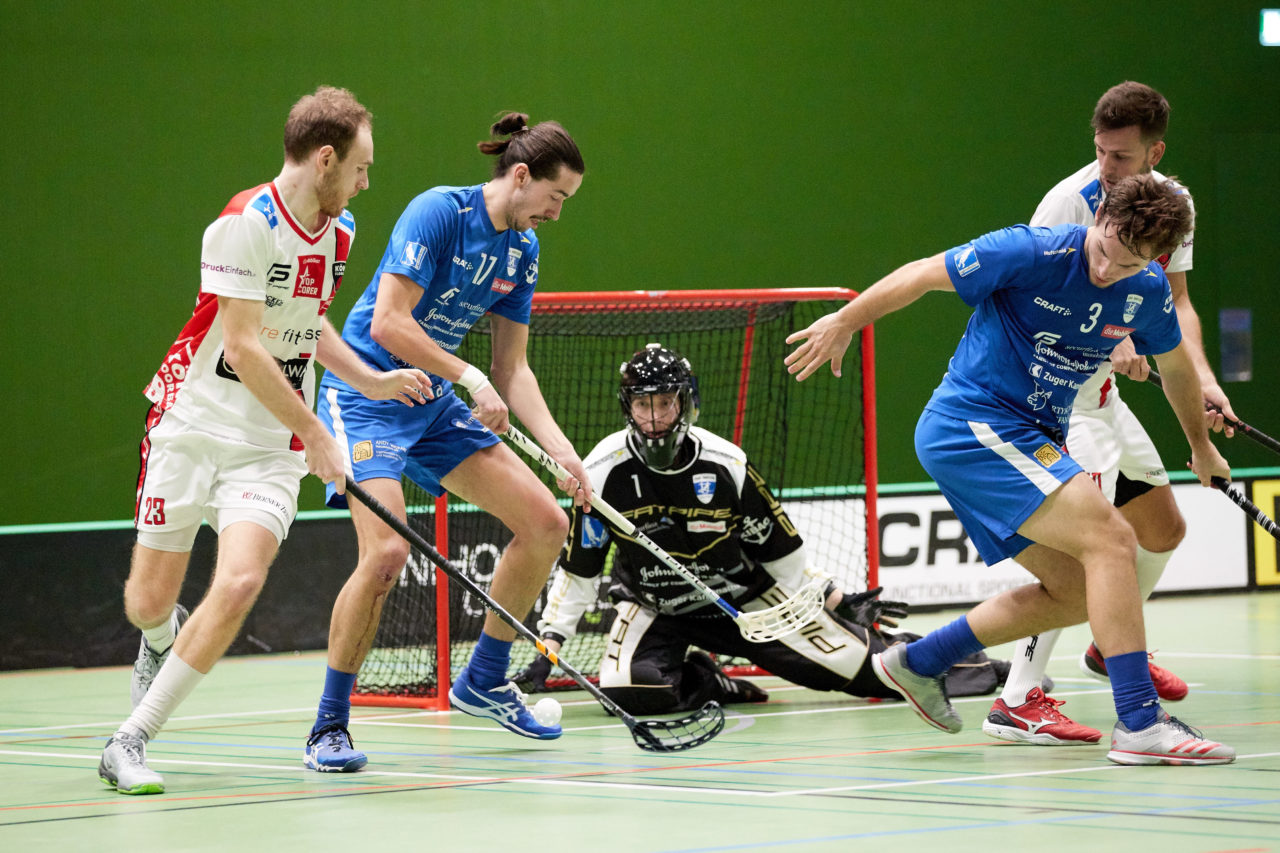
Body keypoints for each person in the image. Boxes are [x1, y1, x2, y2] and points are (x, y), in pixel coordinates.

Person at [785, 173, 1236, 766]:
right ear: (1096, 220)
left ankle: (916, 662)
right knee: (1112, 540)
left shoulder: (1146, 293)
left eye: (1129, 266)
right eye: (1105, 251)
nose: (1107, 271)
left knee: (1075, 591)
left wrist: (1201, 448)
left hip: (1026, 435)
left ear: (1154, 260)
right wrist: (846, 321)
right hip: (974, 423)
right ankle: (1140, 722)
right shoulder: (1032, 250)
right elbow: (923, 273)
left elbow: (1177, 368)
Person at [98, 87, 434, 796]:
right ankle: (158, 639)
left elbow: (305, 325)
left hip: (268, 444)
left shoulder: (339, 232)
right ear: (324, 159)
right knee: (145, 601)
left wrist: (368, 383)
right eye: (362, 166)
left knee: (243, 579)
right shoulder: (241, 224)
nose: (367, 180)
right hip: (192, 423)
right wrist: (318, 433)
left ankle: (129, 738)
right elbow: (248, 348)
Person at [302, 113, 594, 773]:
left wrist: (564, 452)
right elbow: (389, 322)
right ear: (521, 176)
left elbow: (512, 370)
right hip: (367, 393)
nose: (556, 212)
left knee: (546, 521)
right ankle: (328, 726)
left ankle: (485, 678)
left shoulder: (522, 250)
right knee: (385, 553)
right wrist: (464, 376)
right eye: (556, 196)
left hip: (432, 400)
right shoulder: (439, 212)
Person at [514, 344, 1020, 716]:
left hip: (750, 606)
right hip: (656, 608)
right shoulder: (600, 473)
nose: (654, 417)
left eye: (664, 403)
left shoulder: (726, 465)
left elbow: (780, 554)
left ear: (685, 403)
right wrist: (548, 646)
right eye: (643, 404)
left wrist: (833, 597)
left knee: (879, 678)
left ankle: (965, 661)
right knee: (629, 692)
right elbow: (579, 568)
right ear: (628, 407)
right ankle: (710, 681)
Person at [983, 81, 1239, 746]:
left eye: (1122, 157)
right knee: (1085, 546)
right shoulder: (1070, 200)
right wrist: (1114, 336)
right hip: (1058, 399)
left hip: (1108, 399)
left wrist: (1203, 378)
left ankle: (1112, 640)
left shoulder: (1171, 204)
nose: (1107, 167)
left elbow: (1176, 302)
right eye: (1101, 152)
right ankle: (1018, 697)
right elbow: (1031, 296)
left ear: (1155, 151)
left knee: (1163, 528)